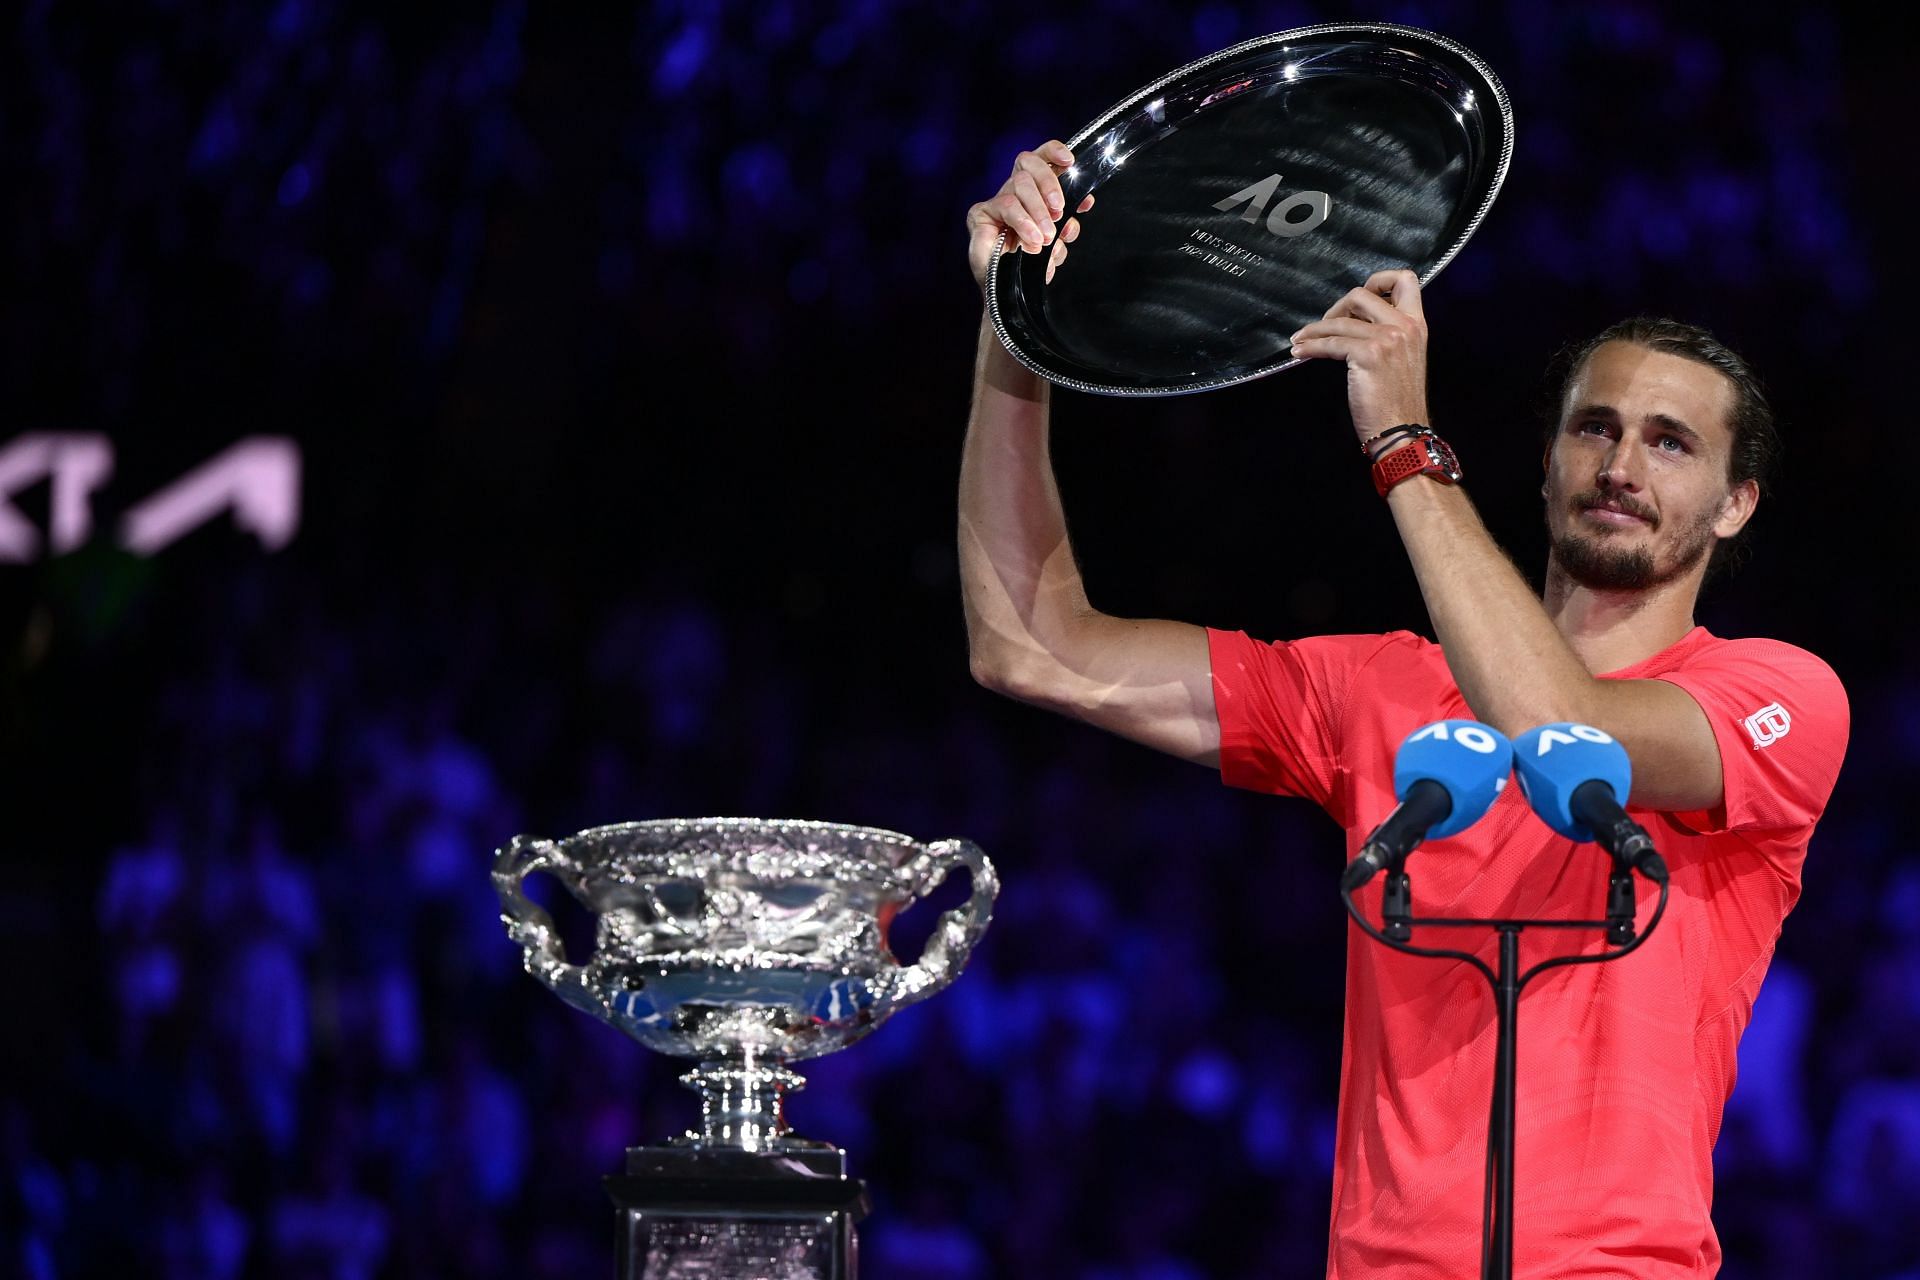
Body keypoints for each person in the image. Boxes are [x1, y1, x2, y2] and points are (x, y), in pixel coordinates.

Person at [958, 141, 1849, 1278]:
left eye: (1671, 443)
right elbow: (1029, 646)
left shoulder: (1776, 696)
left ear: (1735, 506)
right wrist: (1014, 330)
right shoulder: (1376, 689)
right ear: (1544, 463)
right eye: (1596, 426)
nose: (1622, 462)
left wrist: (1402, 445)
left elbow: (1556, 727)